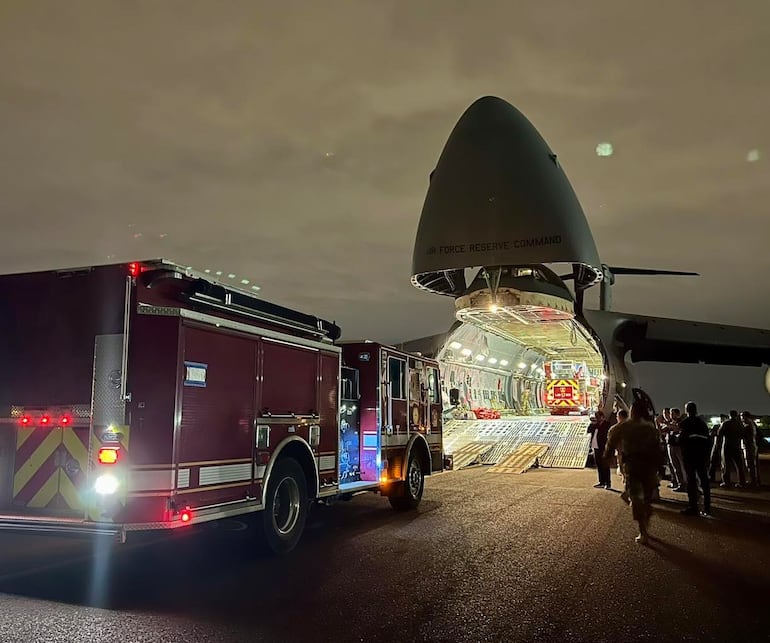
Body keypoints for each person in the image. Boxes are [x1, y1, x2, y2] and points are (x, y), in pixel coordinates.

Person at [604, 400, 661, 544]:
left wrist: (607, 456)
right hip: (648, 467)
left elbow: (611, 441)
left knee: (636, 498)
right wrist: (660, 466)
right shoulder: (650, 428)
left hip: (633, 466)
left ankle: (643, 530)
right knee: (647, 498)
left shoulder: (624, 426)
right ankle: (644, 520)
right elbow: (658, 448)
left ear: (632, 411)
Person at [677, 401, 712, 516]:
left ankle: (693, 507)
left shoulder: (685, 423)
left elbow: (681, 440)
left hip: (689, 456)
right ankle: (707, 506)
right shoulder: (702, 423)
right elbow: (708, 441)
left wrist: (674, 438)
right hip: (701, 456)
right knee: (704, 481)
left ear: (687, 410)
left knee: (691, 481)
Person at [719, 410, 747, 487]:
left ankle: (726, 482)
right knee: (739, 465)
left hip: (727, 445)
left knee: (726, 465)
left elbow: (719, 433)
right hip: (736, 446)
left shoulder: (726, 423)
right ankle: (741, 481)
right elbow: (743, 434)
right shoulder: (739, 424)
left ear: (730, 415)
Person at [587, 410, 612, 489]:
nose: (597, 418)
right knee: (599, 465)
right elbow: (588, 431)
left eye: (598, 416)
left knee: (605, 465)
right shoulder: (595, 425)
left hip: (603, 447)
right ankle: (601, 482)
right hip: (596, 447)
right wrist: (592, 423)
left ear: (602, 417)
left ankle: (607, 483)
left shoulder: (607, 424)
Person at [740, 411, 760, 487]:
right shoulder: (753, 424)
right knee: (754, 464)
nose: (741, 418)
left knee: (750, 464)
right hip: (753, 446)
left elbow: (741, 434)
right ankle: (756, 480)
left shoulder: (747, 426)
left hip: (748, 446)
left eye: (742, 416)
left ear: (745, 417)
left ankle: (753, 481)